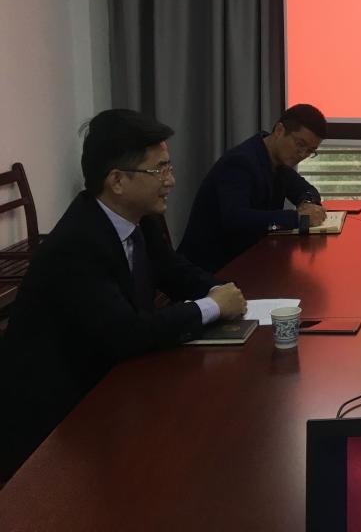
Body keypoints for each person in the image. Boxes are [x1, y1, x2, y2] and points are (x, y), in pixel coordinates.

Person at [0, 109, 246, 480]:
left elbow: (173, 271)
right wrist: (211, 307)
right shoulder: (77, 244)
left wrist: (219, 289)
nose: (171, 180)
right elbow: (128, 333)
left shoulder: (139, 217)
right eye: (159, 170)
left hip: (109, 386)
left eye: (168, 167)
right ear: (117, 180)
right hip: (54, 426)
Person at [178, 103, 327, 272]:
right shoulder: (241, 162)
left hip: (249, 260)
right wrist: (297, 218)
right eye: (300, 144)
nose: (302, 154)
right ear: (279, 130)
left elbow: (307, 190)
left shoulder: (279, 162)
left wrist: (308, 203)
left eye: (310, 151)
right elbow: (236, 219)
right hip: (210, 268)